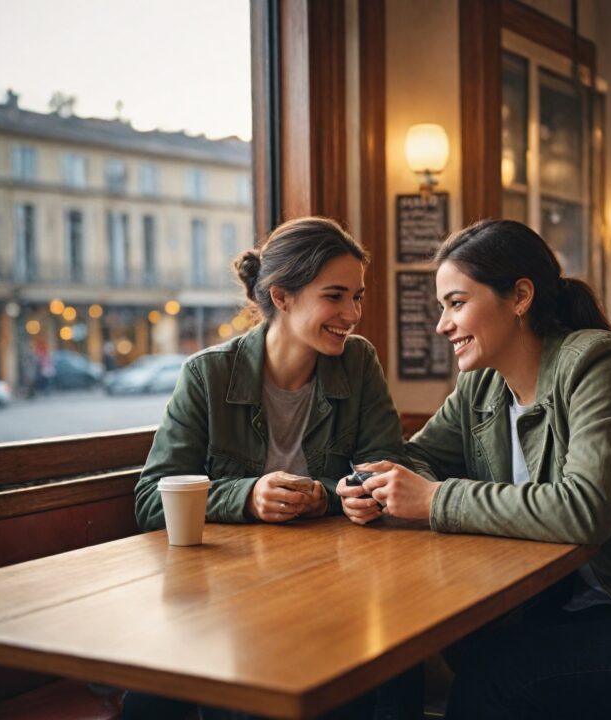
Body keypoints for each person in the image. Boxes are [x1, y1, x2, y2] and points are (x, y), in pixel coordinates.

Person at [338, 219, 611, 719]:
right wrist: (375, 482)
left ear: (520, 297)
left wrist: (433, 499)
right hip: (562, 614)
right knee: (405, 654)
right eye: (442, 307)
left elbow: (584, 511)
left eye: (457, 303)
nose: (443, 324)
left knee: (496, 679)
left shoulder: (595, 364)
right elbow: (417, 456)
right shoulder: (481, 386)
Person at [128, 217, 421, 720]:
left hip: (331, 587)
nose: (352, 313)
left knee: (387, 676)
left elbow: (383, 467)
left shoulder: (358, 363)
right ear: (282, 296)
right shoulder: (208, 374)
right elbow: (152, 497)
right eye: (335, 296)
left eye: (357, 296)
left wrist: (331, 495)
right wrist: (247, 496)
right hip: (229, 594)